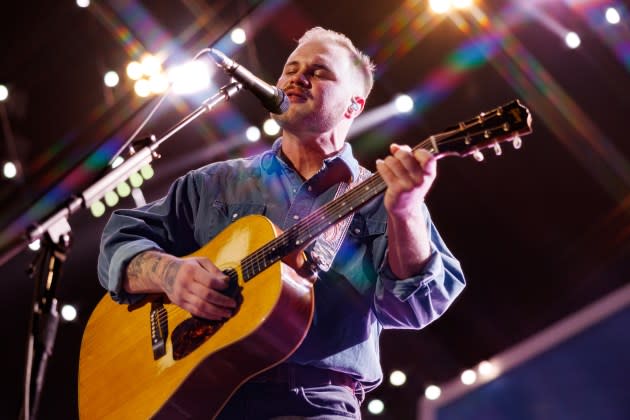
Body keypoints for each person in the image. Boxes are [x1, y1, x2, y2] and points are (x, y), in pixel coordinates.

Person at [98, 27, 465, 419]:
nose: (297, 76)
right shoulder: (213, 182)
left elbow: (416, 306)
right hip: (204, 403)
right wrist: (169, 273)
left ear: (354, 105)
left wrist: (406, 211)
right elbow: (117, 242)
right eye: (291, 67)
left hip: (316, 403)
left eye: (319, 71)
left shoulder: (383, 194)